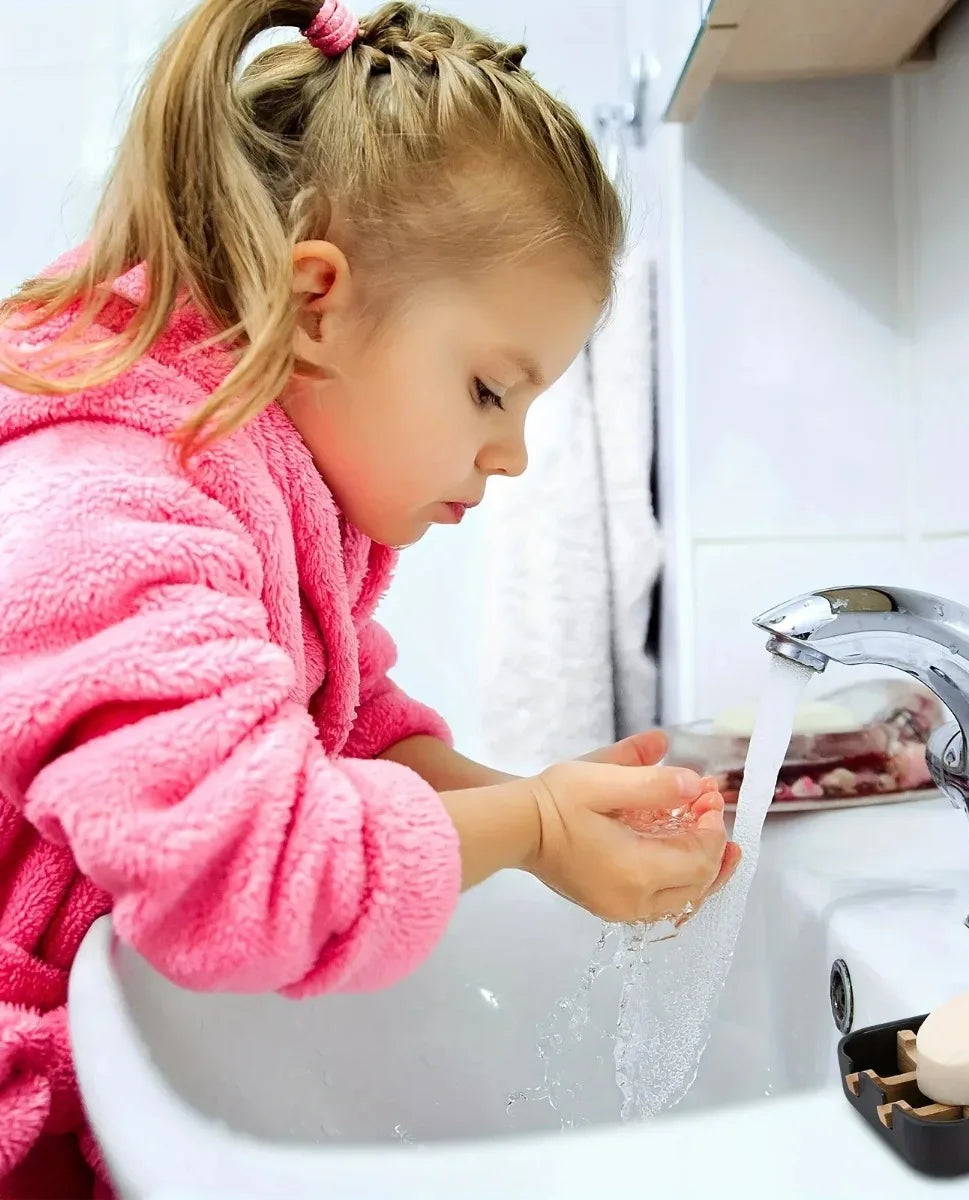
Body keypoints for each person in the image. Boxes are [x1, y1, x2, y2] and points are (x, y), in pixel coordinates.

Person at [0, 1, 742, 1193]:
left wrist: (549, 817)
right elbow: (244, 865)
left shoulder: (243, 493)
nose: (515, 457)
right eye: (494, 390)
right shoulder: (110, 511)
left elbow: (342, 731)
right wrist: (534, 825)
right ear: (315, 300)